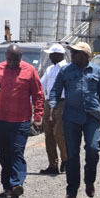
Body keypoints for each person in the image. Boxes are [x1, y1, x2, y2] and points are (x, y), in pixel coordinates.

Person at [49, 42, 100, 198]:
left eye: (76, 53)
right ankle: (72, 189)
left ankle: (89, 181)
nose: (72, 55)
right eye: (72, 52)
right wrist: (52, 110)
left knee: (93, 148)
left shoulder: (98, 72)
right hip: (71, 118)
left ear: (85, 55)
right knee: (72, 155)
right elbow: (55, 91)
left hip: (92, 117)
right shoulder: (65, 71)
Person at [0, 44, 43, 198]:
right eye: (9, 59)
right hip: (2, 120)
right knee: (4, 155)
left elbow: (38, 94)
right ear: (6, 56)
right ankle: (7, 187)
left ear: (21, 57)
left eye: (15, 60)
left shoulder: (30, 71)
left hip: (21, 121)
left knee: (16, 152)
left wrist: (38, 117)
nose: (12, 63)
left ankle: (16, 183)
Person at [40, 44, 68, 175]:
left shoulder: (67, 69)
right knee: (49, 135)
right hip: (48, 102)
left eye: (51, 54)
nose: (50, 56)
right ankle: (52, 164)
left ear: (59, 55)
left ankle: (66, 159)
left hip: (62, 103)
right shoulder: (50, 69)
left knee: (59, 133)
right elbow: (41, 85)